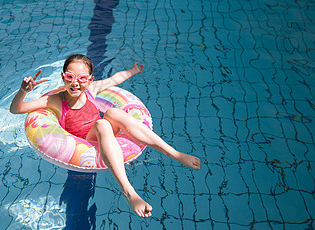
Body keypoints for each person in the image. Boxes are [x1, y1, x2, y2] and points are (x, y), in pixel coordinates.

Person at [10, 54, 200, 217]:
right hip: (87, 142)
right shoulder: (54, 100)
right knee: (102, 123)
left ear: (90, 79)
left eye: (82, 78)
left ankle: (173, 153)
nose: (75, 83)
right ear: (63, 77)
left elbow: (114, 80)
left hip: (106, 132)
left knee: (113, 114)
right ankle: (129, 192)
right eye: (70, 77)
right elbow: (16, 109)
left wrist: (132, 71)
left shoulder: (91, 90)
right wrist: (23, 91)